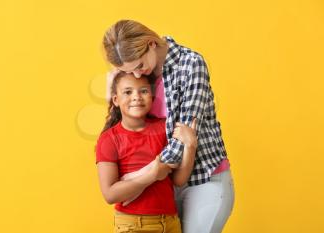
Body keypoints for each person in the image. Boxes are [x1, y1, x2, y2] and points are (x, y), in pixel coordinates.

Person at [102, 20, 235, 233]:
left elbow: (183, 139)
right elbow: (126, 126)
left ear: (152, 44)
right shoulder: (143, 71)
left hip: (203, 179)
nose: (136, 75)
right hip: (164, 185)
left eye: (138, 66)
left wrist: (137, 179)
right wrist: (112, 83)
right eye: (130, 70)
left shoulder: (191, 64)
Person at [95, 72, 197, 233]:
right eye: (128, 92)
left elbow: (178, 180)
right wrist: (152, 175)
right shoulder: (109, 140)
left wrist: (191, 145)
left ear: (152, 96)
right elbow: (110, 194)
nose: (137, 97)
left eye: (143, 91)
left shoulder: (164, 128)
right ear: (116, 100)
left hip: (170, 222)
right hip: (134, 225)